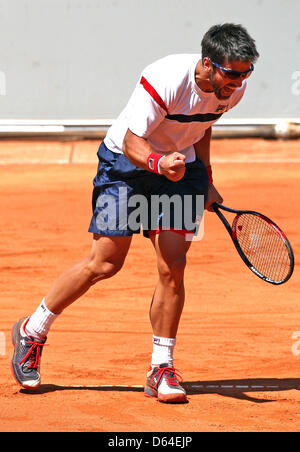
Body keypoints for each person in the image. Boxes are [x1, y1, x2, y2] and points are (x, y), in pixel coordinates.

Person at [11, 23, 259, 403]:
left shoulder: (232, 91)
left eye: (245, 74)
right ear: (208, 64)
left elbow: (202, 128)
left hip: (179, 171)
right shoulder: (164, 78)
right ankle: (33, 329)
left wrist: (206, 177)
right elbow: (131, 140)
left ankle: (161, 366)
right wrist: (160, 163)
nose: (239, 82)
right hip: (125, 165)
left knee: (173, 264)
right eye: (231, 73)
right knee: (106, 262)